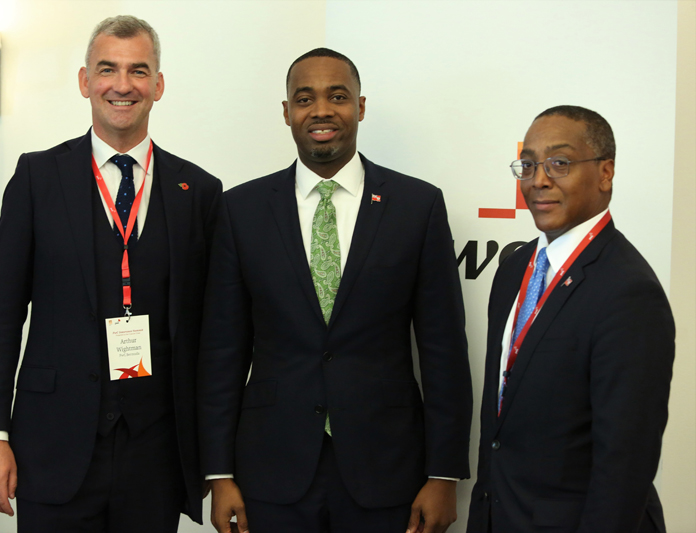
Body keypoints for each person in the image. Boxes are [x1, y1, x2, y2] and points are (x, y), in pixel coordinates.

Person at [198, 48, 472, 533]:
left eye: (338, 96)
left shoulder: (417, 206)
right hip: (270, 470)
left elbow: (443, 350)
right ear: (287, 112)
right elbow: (223, 351)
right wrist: (219, 473)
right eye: (305, 99)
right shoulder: (241, 210)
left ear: (360, 107)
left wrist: (443, 473)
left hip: (387, 470)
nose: (321, 110)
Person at [0, 15, 221, 532]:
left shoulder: (199, 191)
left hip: (157, 455)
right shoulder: (37, 177)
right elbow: (2, 315)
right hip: (52, 446)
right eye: (108, 69)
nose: (122, 85)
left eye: (138, 71)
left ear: (158, 85)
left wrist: (214, 455)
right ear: (86, 81)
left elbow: (214, 334)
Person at [467, 105, 674, 533]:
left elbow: (625, 464)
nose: (539, 180)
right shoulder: (515, 268)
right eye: (528, 165)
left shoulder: (628, 291)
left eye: (559, 163)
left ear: (605, 173)